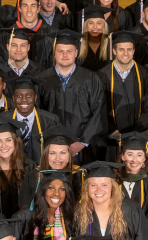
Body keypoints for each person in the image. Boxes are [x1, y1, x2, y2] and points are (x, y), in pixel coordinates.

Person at [35, 30, 106, 163]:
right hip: (51, 147)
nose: (65, 55)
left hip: (84, 148)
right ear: (54, 53)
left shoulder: (90, 78)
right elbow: (38, 114)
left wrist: (82, 142)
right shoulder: (42, 79)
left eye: (69, 51)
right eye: (60, 51)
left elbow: (99, 111)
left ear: (76, 53)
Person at [10, 170, 78, 240]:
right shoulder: (24, 218)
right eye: (51, 188)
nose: (56, 193)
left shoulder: (69, 220)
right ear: (43, 190)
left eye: (62, 189)